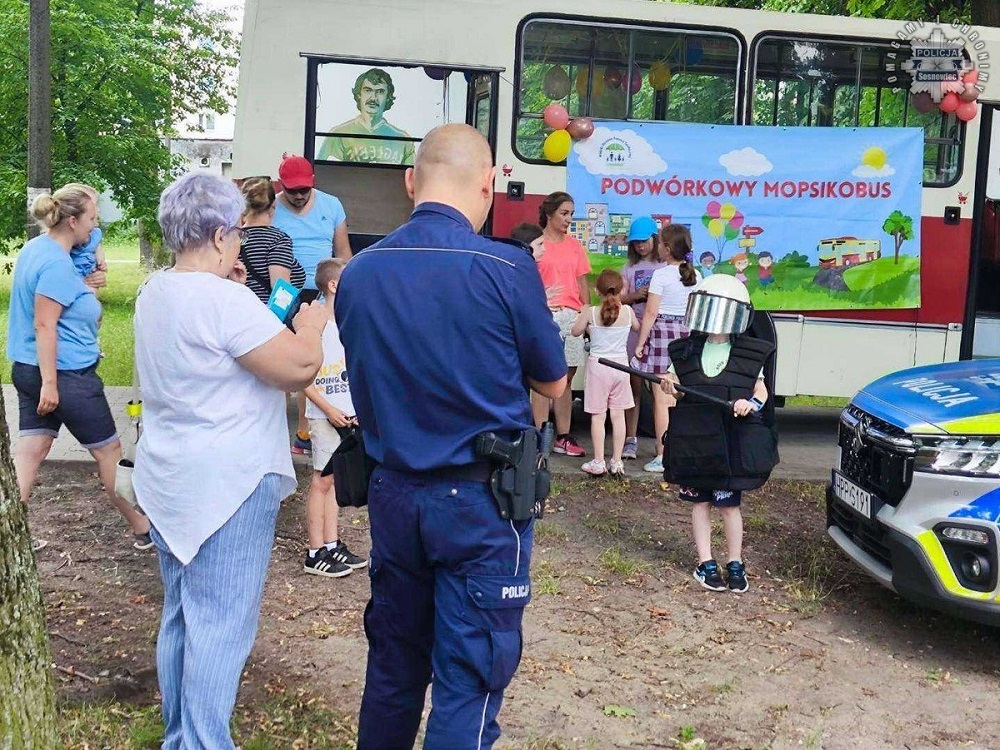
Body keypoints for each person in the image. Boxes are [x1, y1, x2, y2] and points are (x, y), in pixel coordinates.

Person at [336, 123, 566, 750]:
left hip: (393, 496)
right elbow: (552, 382)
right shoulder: (506, 267)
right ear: (489, 183)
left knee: (392, 669)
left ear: (411, 182)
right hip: (480, 507)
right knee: (468, 681)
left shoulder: (359, 274)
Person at [133, 172, 327, 748]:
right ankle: (203, 742)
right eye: (238, 234)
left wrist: (237, 290)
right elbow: (294, 368)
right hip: (230, 484)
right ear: (219, 236)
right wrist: (312, 330)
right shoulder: (224, 301)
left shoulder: (156, 290)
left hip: (168, 478)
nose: (241, 243)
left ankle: (180, 736)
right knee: (221, 624)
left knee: (182, 617)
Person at [8, 184, 151, 550]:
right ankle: (143, 529)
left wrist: (86, 287)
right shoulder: (56, 263)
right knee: (109, 453)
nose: (96, 225)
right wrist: (52, 385)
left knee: (31, 450)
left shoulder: (38, 250)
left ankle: (11, 536)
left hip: (27, 369)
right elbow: (45, 324)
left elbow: (62, 298)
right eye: (92, 218)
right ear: (72, 221)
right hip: (65, 376)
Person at [660, 274, 774, 594]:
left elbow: (760, 389)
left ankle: (735, 562)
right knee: (700, 504)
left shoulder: (748, 354)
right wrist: (671, 388)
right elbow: (679, 389)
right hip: (697, 439)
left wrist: (750, 403)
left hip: (730, 442)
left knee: (728, 506)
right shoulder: (686, 351)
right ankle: (705, 562)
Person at [271, 154, 351, 455]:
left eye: (304, 189)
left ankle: (304, 433)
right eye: (292, 190)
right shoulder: (272, 206)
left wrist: (343, 290)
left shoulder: (331, 205)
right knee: (278, 363)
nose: (299, 195)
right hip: (282, 292)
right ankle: (273, 435)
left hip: (319, 292)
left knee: (313, 360)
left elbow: (343, 251)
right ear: (282, 186)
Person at [302, 258, 368, 578]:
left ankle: (331, 543)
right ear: (333, 286)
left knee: (335, 480)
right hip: (324, 414)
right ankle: (315, 551)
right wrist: (328, 409)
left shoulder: (348, 322)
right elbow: (303, 376)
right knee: (321, 480)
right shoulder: (316, 325)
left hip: (347, 415)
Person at [633, 225, 701, 474]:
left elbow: (650, 313)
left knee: (661, 399)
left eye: (660, 243)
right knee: (680, 397)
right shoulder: (698, 276)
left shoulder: (660, 276)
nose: (657, 246)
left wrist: (640, 343)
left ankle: (663, 455)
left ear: (667, 248)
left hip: (663, 333)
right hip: (687, 335)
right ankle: (680, 450)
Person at [531, 191, 591, 458]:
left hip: (572, 317)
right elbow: (527, 284)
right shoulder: (537, 246)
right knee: (545, 377)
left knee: (565, 380)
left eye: (571, 214)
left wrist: (585, 315)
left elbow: (582, 286)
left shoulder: (575, 246)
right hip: (547, 315)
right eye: (564, 213)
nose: (568, 219)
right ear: (550, 213)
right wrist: (540, 304)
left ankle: (563, 436)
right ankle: (539, 433)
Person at [571, 269, 639, 477]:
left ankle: (599, 461)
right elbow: (636, 327)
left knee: (598, 417)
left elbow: (575, 331)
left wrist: (584, 313)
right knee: (618, 416)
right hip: (621, 368)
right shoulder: (627, 312)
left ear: (596, 291)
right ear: (622, 290)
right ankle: (617, 462)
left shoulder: (590, 312)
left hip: (598, 368)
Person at [619, 216, 663, 461]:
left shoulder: (665, 268)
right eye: (636, 243)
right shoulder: (628, 269)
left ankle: (663, 442)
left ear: (655, 240)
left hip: (658, 333)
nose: (640, 247)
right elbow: (619, 299)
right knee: (633, 387)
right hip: (635, 331)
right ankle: (630, 438)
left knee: (659, 391)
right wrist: (636, 295)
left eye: (644, 242)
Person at [318, 67, 415, 165]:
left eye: (380, 91)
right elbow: (321, 173)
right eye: (368, 90)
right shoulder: (338, 135)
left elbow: (414, 178)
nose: (373, 98)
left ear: (388, 97)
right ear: (359, 94)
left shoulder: (403, 140)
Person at [239, 176, 306, 304]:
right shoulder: (278, 240)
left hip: (237, 312)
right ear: (273, 206)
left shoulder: (232, 238)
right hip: (265, 315)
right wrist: (276, 322)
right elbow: (281, 291)